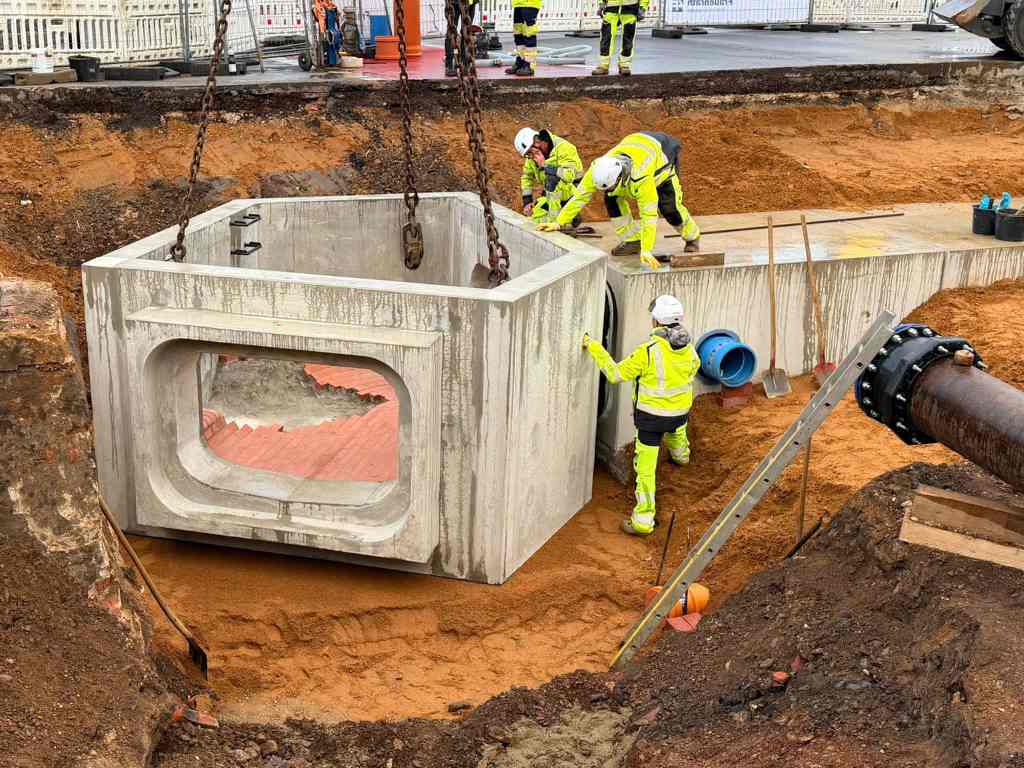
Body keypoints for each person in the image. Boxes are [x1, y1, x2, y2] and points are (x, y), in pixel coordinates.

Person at [581, 295, 700, 536]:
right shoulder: (688, 348)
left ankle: (644, 520)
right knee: (677, 433)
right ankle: (681, 456)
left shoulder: (648, 351)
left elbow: (615, 374)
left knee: (645, 470)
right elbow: (694, 367)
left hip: (651, 420)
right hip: (679, 413)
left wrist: (592, 345)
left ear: (656, 322)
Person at [537, 131, 700, 269]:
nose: (607, 191)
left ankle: (692, 237)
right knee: (612, 199)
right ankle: (632, 240)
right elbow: (580, 197)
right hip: (636, 144)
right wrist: (559, 222)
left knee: (669, 209)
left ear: (620, 177)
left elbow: (649, 216)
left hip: (662, 163)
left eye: (610, 187)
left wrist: (647, 250)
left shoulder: (641, 177)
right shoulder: (598, 168)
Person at [514, 127, 583, 224]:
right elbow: (527, 176)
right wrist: (527, 201)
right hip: (550, 191)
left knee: (552, 180)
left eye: (529, 152)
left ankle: (561, 220)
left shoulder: (565, 148)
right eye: (527, 155)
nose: (530, 157)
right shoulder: (533, 156)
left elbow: (569, 176)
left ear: (537, 142)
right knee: (535, 215)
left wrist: (545, 166)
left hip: (572, 191)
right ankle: (563, 218)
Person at [592, 0, 648, 76]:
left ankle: (624, 65)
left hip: (629, 10)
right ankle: (603, 65)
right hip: (611, 10)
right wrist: (601, 3)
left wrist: (642, 8)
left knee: (627, 40)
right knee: (606, 38)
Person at [506, 0, 541, 76]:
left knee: (529, 32)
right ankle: (521, 61)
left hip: (530, 3)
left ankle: (529, 64)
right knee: (518, 31)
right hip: (518, 3)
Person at [445, 0, 479, 77]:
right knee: (451, 31)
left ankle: (465, 63)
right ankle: (449, 64)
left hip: (469, 2)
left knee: (466, 32)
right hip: (453, 2)